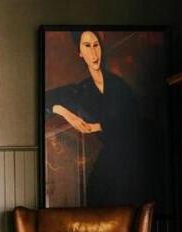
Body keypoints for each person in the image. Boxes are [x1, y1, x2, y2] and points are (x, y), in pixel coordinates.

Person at [45, 30, 150, 206]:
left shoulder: (119, 85)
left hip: (134, 157)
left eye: (96, 45)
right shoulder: (81, 90)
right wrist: (64, 112)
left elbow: (132, 121)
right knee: (97, 195)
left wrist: (98, 126)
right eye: (87, 46)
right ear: (79, 52)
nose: (93, 52)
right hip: (112, 158)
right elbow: (45, 101)